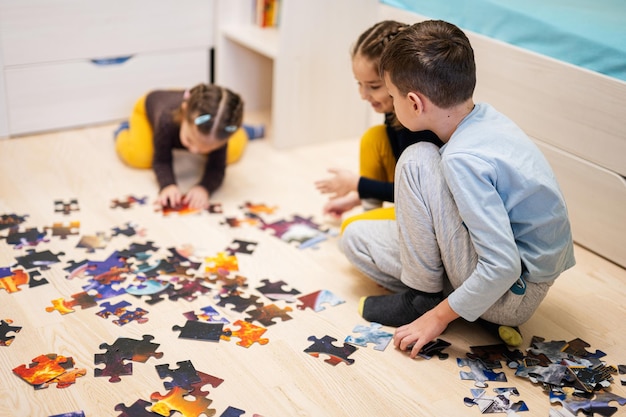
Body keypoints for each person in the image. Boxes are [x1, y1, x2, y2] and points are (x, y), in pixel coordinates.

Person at [340, 20, 575, 358]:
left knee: (417, 159)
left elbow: (503, 265)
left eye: (391, 96)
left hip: (513, 294)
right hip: (516, 281)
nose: (389, 103)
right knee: (356, 239)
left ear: (414, 103)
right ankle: (465, 305)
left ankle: (424, 299)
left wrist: (435, 319)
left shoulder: (462, 158)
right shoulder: (485, 119)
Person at [314, 21, 442, 232]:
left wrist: (358, 184)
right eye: (359, 84)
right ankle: (370, 218)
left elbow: (416, 195)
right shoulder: (393, 113)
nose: (363, 95)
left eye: (373, 86)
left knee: (351, 230)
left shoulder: (422, 131)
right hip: (408, 196)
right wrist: (357, 197)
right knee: (373, 137)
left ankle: (370, 229)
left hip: (426, 211)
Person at [115, 83, 246, 210]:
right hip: (151, 106)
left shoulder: (215, 131)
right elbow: (161, 161)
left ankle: (246, 130)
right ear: (184, 115)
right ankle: (124, 130)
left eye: (208, 148)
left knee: (232, 153)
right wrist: (168, 185)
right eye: (190, 140)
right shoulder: (166, 120)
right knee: (140, 157)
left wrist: (204, 188)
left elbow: (217, 168)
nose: (195, 151)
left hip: (191, 102)